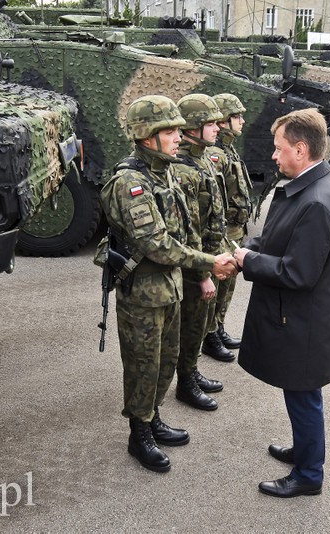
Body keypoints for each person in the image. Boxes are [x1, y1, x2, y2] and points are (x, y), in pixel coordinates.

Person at [100, 95, 236, 473]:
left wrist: (202, 270)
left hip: (171, 287)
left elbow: (186, 230)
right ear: (147, 136)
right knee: (144, 367)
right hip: (144, 295)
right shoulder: (131, 182)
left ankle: (153, 416)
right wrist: (210, 262)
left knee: (166, 363)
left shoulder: (166, 172)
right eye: (171, 130)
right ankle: (139, 432)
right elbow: (156, 244)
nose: (180, 136)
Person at [233, 108, 330, 498]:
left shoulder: (316, 201)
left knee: (303, 397)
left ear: (301, 150)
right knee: (301, 394)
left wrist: (248, 260)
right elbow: (281, 239)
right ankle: (304, 450)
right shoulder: (309, 186)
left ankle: (308, 474)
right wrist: (250, 248)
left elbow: (298, 273)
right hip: (302, 318)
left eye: (279, 148)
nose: (274, 155)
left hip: (304, 321)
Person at [171, 94, 227, 411]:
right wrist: (203, 274)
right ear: (193, 127)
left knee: (200, 322)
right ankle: (185, 384)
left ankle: (190, 372)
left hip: (209, 257)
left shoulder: (201, 157)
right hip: (195, 265)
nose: (217, 127)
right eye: (210, 122)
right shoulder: (183, 168)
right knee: (192, 326)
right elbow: (189, 228)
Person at [200, 93, 254, 363]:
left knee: (229, 286)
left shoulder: (228, 149)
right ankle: (210, 335)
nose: (242, 121)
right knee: (219, 285)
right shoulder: (215, 155)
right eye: (237, 116)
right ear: (222, 121)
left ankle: (218, 327)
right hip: (223, 231)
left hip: (235, 229)